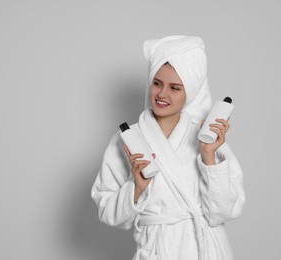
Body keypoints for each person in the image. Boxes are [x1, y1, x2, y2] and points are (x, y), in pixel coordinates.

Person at [91, 35, 245, 260]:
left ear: (189, 92)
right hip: (157, 251)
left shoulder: (208, 139)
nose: (162, 94)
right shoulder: (126, 140)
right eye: (157, 83)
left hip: (208, 250)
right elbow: (107, 212)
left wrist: (209, 158)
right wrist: (136, 188)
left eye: (175, 88)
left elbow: (223, 212)